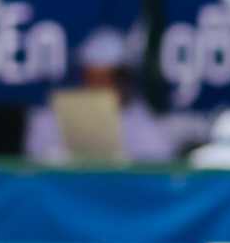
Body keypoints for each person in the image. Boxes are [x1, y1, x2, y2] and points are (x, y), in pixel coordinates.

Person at [24, 27, 176, 164]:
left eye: (106, 78)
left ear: (123, 80)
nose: (98, 86)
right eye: (92, 77)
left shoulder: (139, 117)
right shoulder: (53, 113)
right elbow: (35, 156)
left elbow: (160, 163)